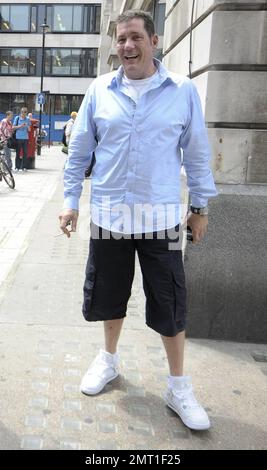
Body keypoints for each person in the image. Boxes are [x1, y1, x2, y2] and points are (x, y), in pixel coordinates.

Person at [59, 10, 218, 431]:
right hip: (109, 215)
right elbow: (79, 154)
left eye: (135, 38)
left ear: (155, 40)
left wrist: (199, 208)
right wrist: (71, 201)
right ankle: (108, 361)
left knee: (169, 300)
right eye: (121, 39)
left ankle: (178, 386)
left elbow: (198, 154)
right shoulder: (99, 90)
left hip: (162, 219)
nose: (127, 46)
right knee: (108, 295)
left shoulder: (181, 91)